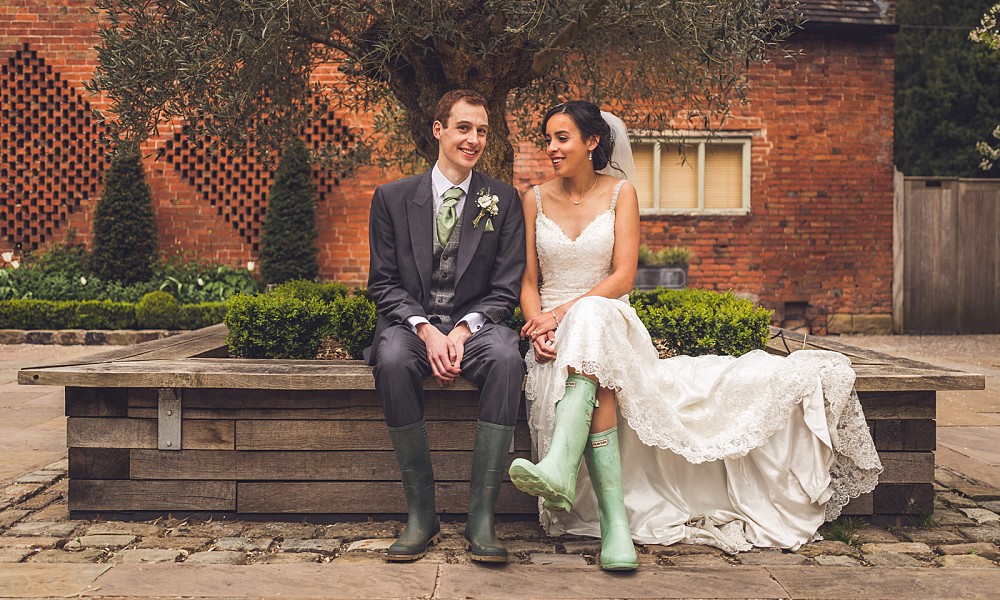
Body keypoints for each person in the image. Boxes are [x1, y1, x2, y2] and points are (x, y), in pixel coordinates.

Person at [507, 100, 882, 571]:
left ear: (592, 141)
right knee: (594, 369)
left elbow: (623, 278)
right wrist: (539, 326)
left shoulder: (621, 193)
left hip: (610, 321)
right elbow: (527, 279)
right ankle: (614, 525)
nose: (551, 149)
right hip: (555, 337)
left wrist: (562, 314)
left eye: (562, 138)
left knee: (593, 316)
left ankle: (563, 470)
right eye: (548, 139)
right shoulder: (534, 199)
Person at [366, 89, 526, 563]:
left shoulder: (503, 199)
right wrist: (425, 329)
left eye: (480, 131)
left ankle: (481, 518)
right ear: (439, 130)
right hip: (411, 326)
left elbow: (505, 287)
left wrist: (460, 331)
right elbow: (383, 283)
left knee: (505, 357)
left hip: (475, 329)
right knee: (392, 358)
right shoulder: (392, 199)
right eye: (463, 128)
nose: (473, 139)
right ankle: (422, 515)